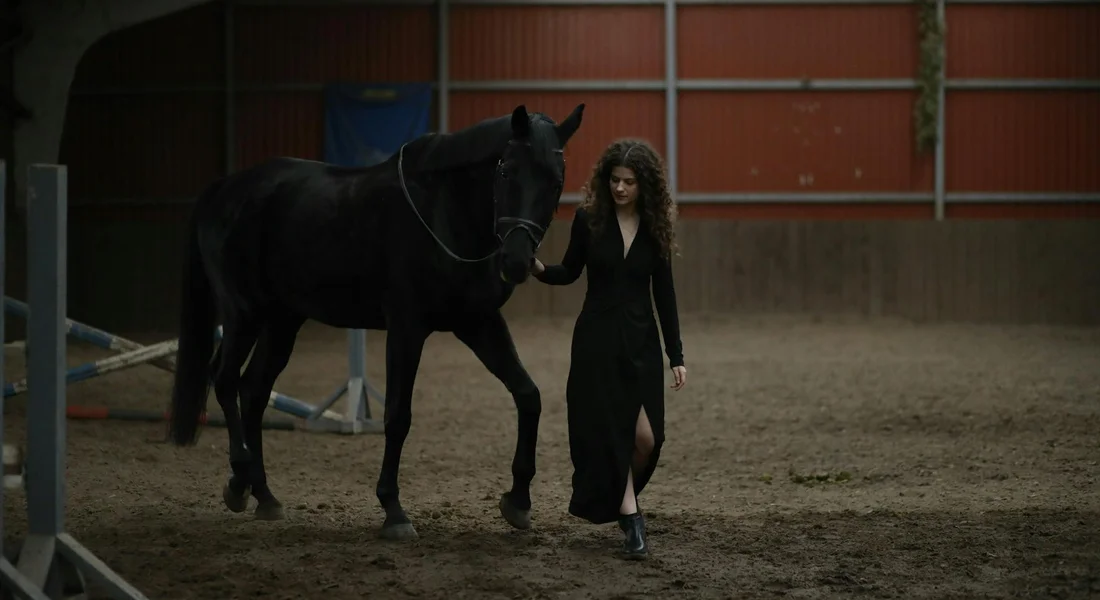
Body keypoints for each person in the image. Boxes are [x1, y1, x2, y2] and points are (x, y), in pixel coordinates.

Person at [531, 138, 686, 560]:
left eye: (629, 182)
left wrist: (677, 355)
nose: (620, 189)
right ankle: (632, 518)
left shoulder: (656, 227)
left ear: (644, 185)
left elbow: (665, 295)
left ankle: (618, 500)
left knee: (648, 439)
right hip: (596, 341)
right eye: (615, 180)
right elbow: (569, 271)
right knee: (612, 435)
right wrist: (540, 269)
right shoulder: (589, 220)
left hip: (641, 342)